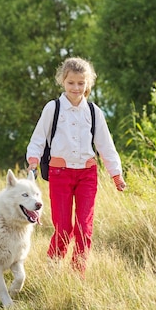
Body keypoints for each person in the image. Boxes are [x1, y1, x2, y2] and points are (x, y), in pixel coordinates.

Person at [26, 57, 126, 275]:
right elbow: (38, 138)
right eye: (71, 82)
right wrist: (33, 160)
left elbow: (105, 145)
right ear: (63, 81)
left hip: (87, 175)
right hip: (60, 174)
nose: (76, 88)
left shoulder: (93, 111)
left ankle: (77, 274)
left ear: (87, 84)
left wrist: (116, 174)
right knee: (63, 227)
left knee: (84, 228)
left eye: (81, 83)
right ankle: (53, 269)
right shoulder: (53, 108)